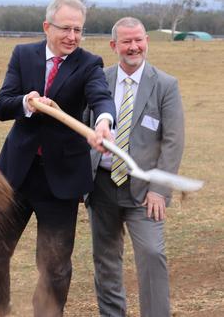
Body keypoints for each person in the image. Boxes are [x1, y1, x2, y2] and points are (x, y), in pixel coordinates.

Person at [0, 0, 117, 317]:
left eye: (78, 30)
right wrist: (25, 103)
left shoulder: (89, 63)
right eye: (65, 28)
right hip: (16, 175)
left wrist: (103, 123)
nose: (72, 36)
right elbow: (3, 104)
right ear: (47, 27)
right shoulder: (23, 55)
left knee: (54, 266)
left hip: (61, 180)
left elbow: (101, 98)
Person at [86, 17, 184, 317]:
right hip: (101, 186)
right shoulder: (99, 80)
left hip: (144, 192)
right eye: (126, 41)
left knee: (153, 254)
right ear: (114, 45)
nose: (134, 47)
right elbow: (84, 127)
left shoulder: (165, 85)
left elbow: (173, 141)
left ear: (147, 41)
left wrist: (159, 191)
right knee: (106, 261)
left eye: (139, 39)